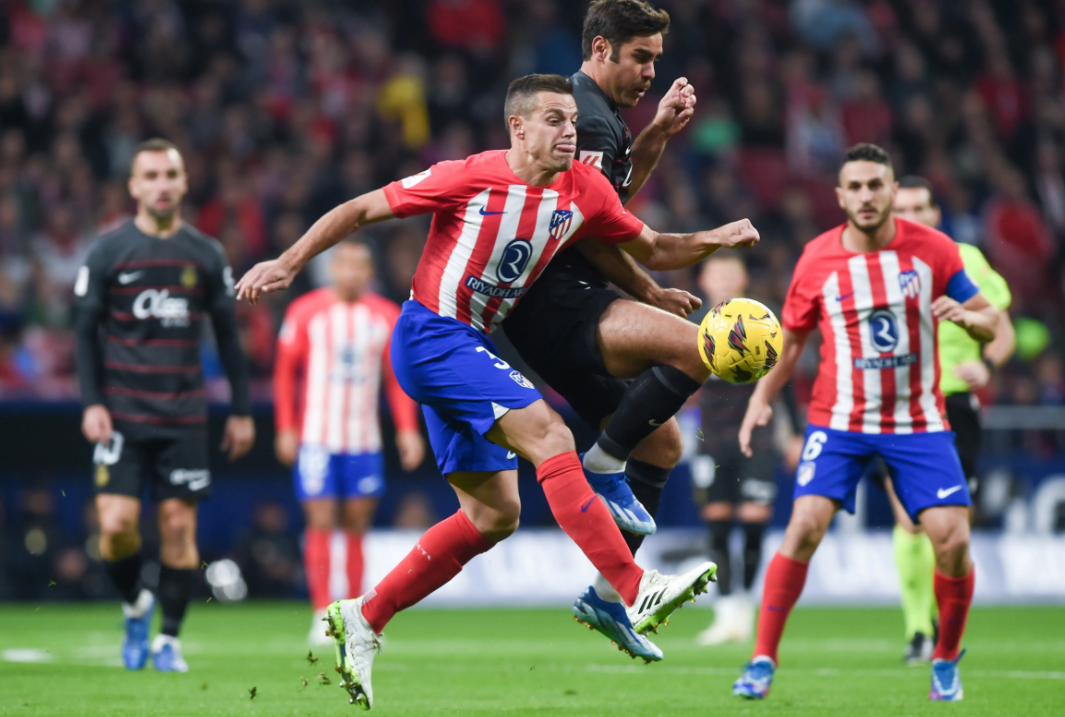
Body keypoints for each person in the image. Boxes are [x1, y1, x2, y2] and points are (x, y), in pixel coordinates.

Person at [237, 73, 757, 709]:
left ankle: (365, 617)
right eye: (554, 120)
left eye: (573, 121)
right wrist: (288, 262)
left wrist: (714, 239)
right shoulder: (467, 176)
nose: (569, 132)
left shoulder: (585, 188)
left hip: (473, 344)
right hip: (431, 335)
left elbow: (651, 246)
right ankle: (633, 586)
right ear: (519, 127)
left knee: (494, 516)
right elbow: (360, 209)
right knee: (550, 434)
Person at [500, 0, 728, 660]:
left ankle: (606, 595)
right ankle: (602, 461)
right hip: (556, 301)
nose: (651, 71)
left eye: (656, 59)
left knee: (661, 446)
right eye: (641, 57)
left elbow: (607, 203)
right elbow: (590, 234)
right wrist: (650, 288)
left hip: (558, 303)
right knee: (702, 345)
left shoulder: (599, 116)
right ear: (601, 49)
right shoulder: (585, 117)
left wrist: (655, 133)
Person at [731, 144, 998, 703]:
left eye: (876, 184)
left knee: (953, 540)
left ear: (893, 191)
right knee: (804, 526)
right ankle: (761, 659)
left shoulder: (935, 250)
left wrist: (969, 320)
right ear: (840, 196)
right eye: (855, 187)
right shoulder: (816, 258)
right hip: (839, 420)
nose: (866, 195)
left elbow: (991, 319)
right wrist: (761, 399)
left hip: (917, 420)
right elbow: (791, 340)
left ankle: (945, 659)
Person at [74, 138, 255, 673]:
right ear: (133, 186)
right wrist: (91, 403)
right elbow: (84, 334)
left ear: (183, 183)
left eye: (170, 175)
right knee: (115, 527)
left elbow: (229, 337)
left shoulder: (205, 253)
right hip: (121, 415)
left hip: (183, 417)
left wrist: (241, 409)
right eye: (150, 175)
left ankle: (168, 641)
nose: (161, 185)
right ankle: (136, 605)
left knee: (178, 529)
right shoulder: (107, 252)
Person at [884, 176, 1014, 663]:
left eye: (921, 208)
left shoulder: (967, 260)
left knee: (953, 529)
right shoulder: (876, 263)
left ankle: (944, 627)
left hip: (954, 403)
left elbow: (1003, 332)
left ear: (936, 214)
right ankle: (918, 631)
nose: (913, 217)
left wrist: (988, 366)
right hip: (898, 404)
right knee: (909, 518)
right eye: (904, 210)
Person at [273, 239, 425, 645]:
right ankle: (322, 612)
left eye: (360, 265)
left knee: (357, 525)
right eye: (344, 264)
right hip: (316, 438)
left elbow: (396, 380)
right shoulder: (305, 312)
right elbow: (285, 373)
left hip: (363, 441)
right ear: (332, 270)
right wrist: (285, 427)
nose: (352, 272)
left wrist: (407, 429)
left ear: (369, 272)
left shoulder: (385, 316)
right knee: (321, 522)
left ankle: (355, 615)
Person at [689, 255, 801, 646]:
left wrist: (796, 434)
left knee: (754, 523)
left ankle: (744, 609)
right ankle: (724, 613)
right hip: (711, 438)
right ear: (703, 280)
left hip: (758, 435)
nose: (723, 281)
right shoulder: (691, 325)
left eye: (730, 274)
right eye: (716, 274)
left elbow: (784, 380)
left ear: (743, 279)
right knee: (717, 525)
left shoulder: (762, 323)